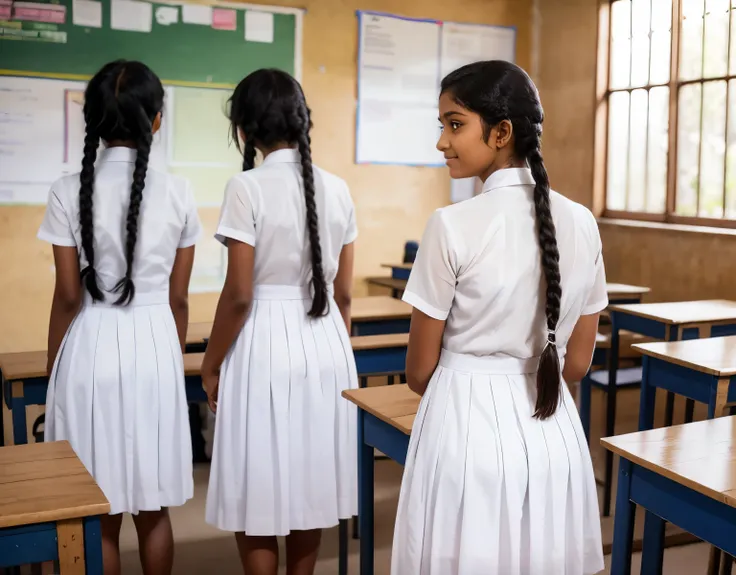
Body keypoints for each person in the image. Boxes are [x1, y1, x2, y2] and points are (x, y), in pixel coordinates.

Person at [391, 60, 606, 575]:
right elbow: (576, 363)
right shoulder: (582, 222)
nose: (442, 141)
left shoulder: (450, 225)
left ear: (502, 132)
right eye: (441, 125)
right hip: (554, 434)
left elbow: (419, 372)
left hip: (466, 435)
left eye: (455, 124)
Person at [38, 60, 199, 575]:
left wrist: (52, 361)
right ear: (156, 119)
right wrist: (170, 357)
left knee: (98, 506)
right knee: (154, 507)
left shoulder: (67, 189)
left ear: (94, 120)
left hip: (90, 346)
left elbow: (67, 295)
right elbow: (179, 301)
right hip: (155, 346)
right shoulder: (178, 192)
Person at [202, 68, 358, 575]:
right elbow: (345, 293)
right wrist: (338, 352)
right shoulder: (337, 189)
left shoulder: (245, 187)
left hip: (263, 344)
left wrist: (210, 362)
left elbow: (240, 294)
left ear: (244, 129)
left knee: (260, 487)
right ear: (301, 121)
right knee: (309, 480)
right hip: (326, 338)